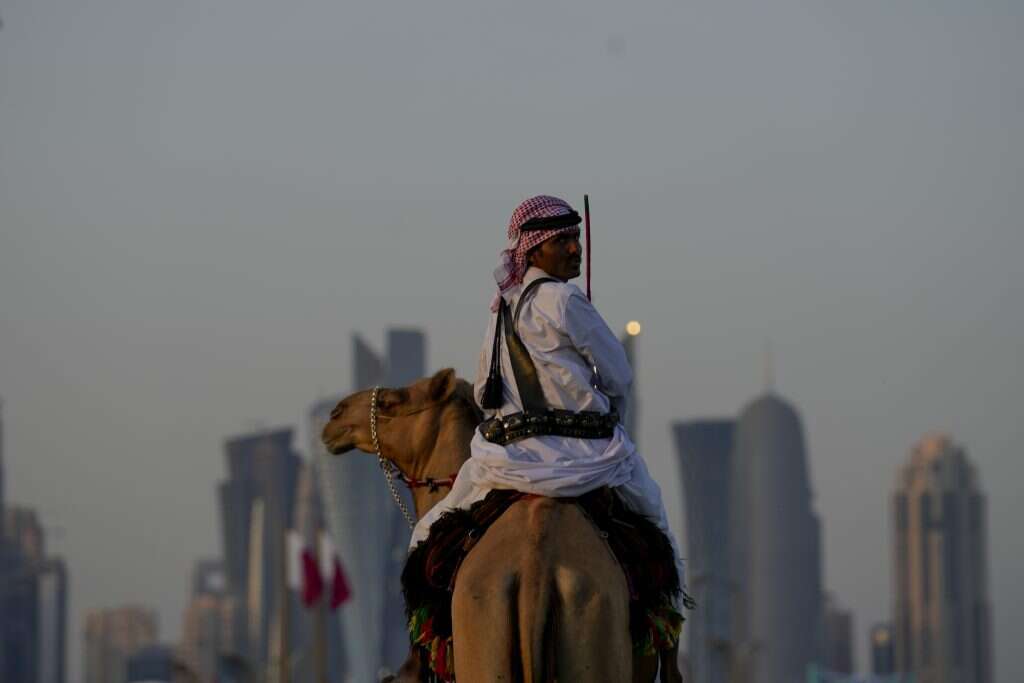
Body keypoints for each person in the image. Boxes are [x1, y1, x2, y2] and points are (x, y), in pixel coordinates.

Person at [411, 194, 685, 595]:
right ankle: (667, 649)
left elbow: (486, 392)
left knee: (425, 538)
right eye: (563, 241)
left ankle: (435, 653)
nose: (576, 248)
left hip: (508, 460)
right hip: (588, 457)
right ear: (535, 250)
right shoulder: (566, 299)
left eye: (576, 237)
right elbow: (620, 377)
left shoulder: (500, 310)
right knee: (658, 532)